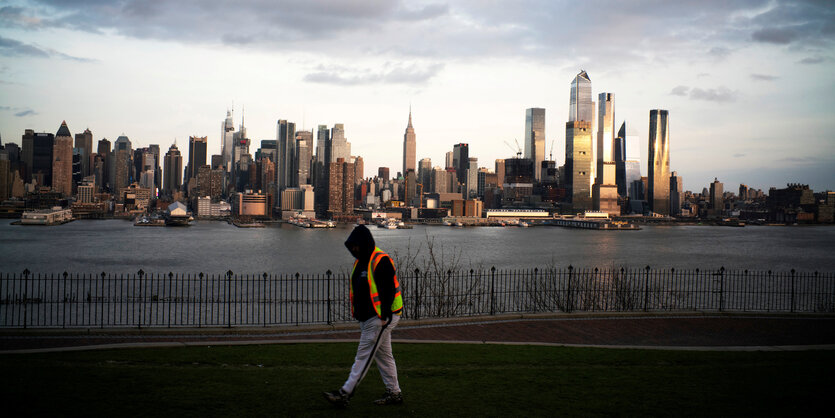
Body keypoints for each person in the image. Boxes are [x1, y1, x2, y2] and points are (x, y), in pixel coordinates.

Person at [324, 225, 404, 407]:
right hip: (370, 317)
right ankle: (394, 393)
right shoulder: (361, 262)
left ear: (364, 243)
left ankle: (345, 393)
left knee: (363, 355)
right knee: (384, 356)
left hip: (381, 318)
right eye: (351, 246)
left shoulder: (380, 260)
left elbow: (388, 290)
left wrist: (384, 316)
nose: (353, 249)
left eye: (356, 245)